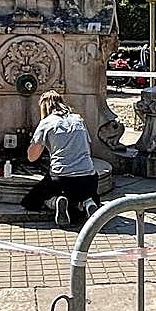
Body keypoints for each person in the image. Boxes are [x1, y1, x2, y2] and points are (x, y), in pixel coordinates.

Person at [21, 90, 99, 226]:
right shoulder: (78, 119)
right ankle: (87, 204)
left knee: (31, 201)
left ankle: (55, 202)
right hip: (88, 178)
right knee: (87, 194)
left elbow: (32, 157)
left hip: (62, 179)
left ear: (43, 107)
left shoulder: (46, 122)